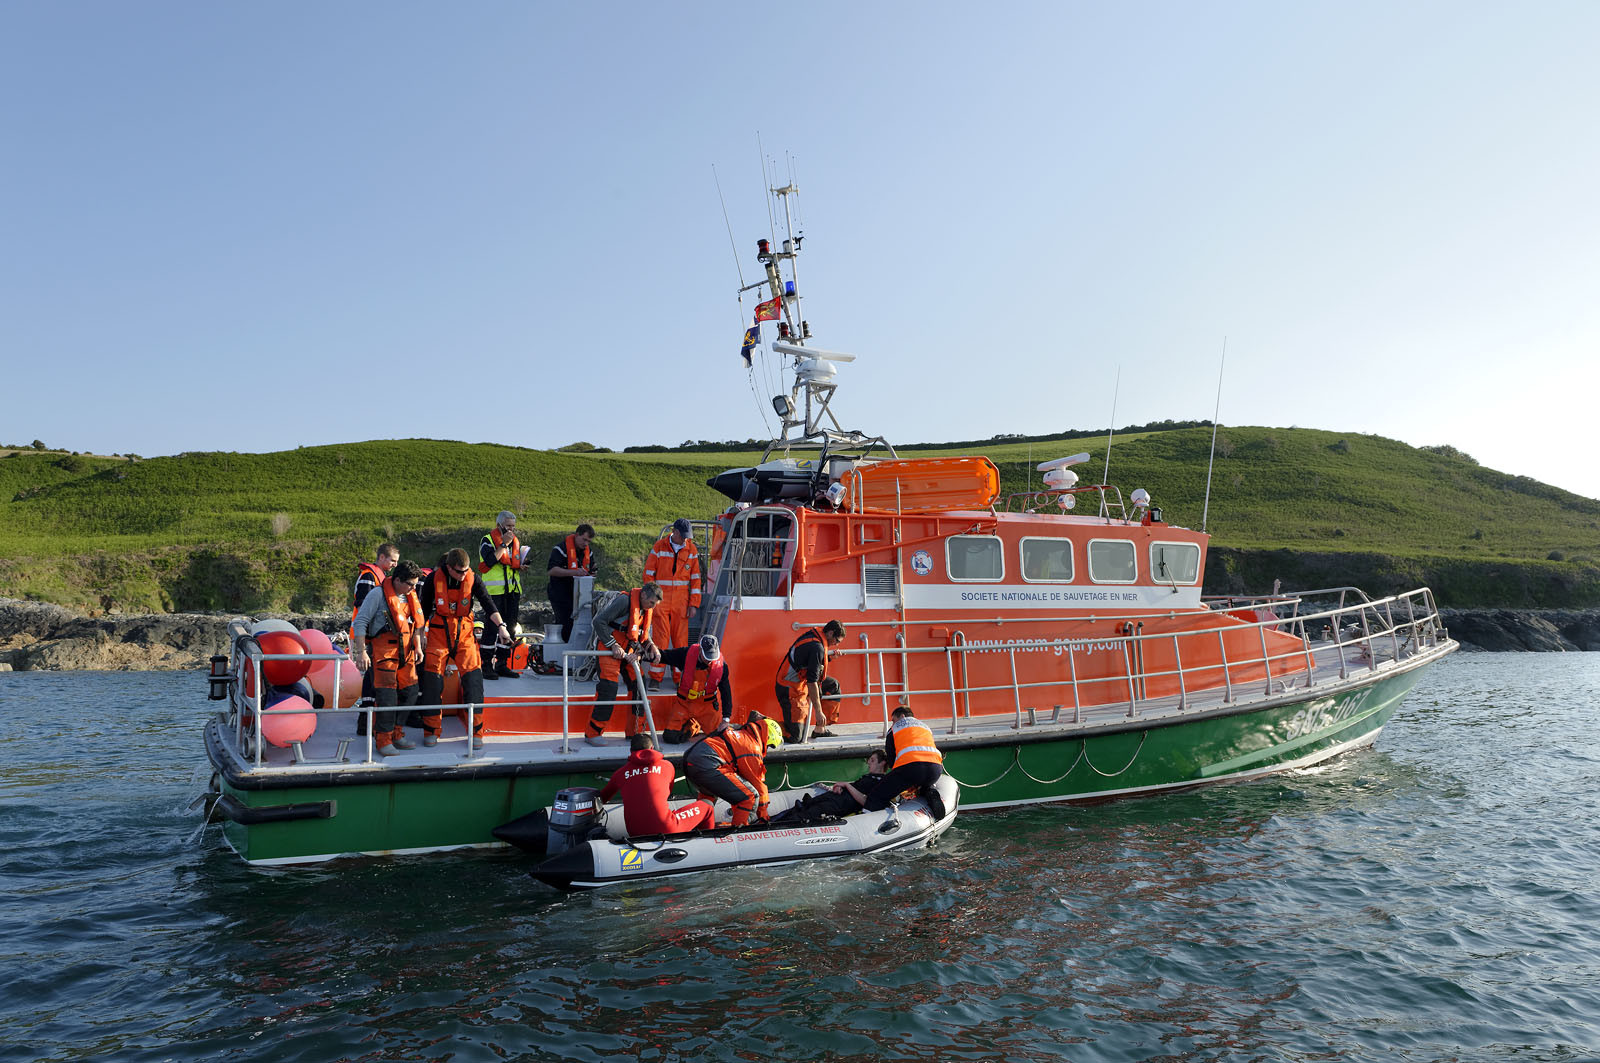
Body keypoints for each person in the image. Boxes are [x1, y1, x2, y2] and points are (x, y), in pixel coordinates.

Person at [415, 547, 511, 749]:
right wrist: (419, 635)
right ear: (448, 568)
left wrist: (502, 627)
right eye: (459, 571)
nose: (463, 575)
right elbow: (422, 609)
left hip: (465, 634)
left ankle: (476, 732)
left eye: (466, 570)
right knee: (432, 683)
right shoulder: (433, 579)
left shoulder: (473, 579)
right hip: (439, 634)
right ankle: (431, 730)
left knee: (474, 681)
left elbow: (488, 604)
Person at [350, 559, 426, 756]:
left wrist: (418, 648)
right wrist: (361, 652)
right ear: (398, 580)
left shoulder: (410, 596)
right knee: (387, 697)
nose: (413, 588)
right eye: (410, 584)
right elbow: (360, 623)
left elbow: (415, 626)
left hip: (406, 654)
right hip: (384, 653)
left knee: (411, 692)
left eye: (415, 584)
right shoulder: (377, 594)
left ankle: (397, 733)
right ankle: (383, 741)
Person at [582, 583, 661, 746]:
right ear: (644, 596)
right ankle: (593, 733)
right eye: (652, 603)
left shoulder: (646, 609)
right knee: (609, 689)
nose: (652, 607)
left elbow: (641, 635)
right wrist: (613, 645)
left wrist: (651, 646)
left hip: (629, 652)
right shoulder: (624, 601)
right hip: (609, 650)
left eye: (654, 605)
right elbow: (599, 622)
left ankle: (636, 733)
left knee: (639, 687)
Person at [597, 734, 715, 836]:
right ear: (652, 748)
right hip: (667, 828)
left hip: (634, 832)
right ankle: (706, 846)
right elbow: (667, 793)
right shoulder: (667, 766)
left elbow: (602, 798)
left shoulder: (620, 773)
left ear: (631, 751)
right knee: (707, 806)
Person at [682, 714, 782, 827]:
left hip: (692, 760)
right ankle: (740, 832)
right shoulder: (752, 747)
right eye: (769, 746)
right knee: (749, 797)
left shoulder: (740, 733)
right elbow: (757, 784)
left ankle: (700, 826)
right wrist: (763, 816)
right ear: (768, 738)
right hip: (708, 764)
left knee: (708, 795)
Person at [841, 706, 945, 812]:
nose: (893, 724)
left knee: (877, 796)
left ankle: (867, 818)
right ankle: (929, 792)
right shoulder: (925, 727)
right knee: (921, 786)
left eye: (894, 720)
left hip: (912, 767)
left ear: (903, 716)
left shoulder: (894, 729)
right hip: (935, 770)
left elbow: (891, 758)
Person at [642, 518, 701, 688]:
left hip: (681, 602)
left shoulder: (691, 549)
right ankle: (656, 678)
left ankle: (680, 678)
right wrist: (652, 598)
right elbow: (648, 574)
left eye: (687, 537)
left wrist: (693, 604)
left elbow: (696, 579)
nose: (685, 539)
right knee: (660, 639)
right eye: (683, 536)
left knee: (681, 642)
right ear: (674, 532)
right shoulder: (659, 547)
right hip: (660, 601)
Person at [773, 619, 846, 743]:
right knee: (796, 736)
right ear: (830, 633)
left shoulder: (815, 640)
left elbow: (811, 665)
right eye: (837, 641)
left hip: (801, 683)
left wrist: (829, 658)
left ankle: (820, 729)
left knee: (833, 686)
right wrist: (818, 712)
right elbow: (812, 682)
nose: (836, 644)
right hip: (789, 688)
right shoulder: (817, 647)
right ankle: (761, 724)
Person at [769, 750, 888, 825]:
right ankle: (766, 822)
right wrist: (840, 787)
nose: (868, 763)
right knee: (802, 806)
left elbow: (865, 801)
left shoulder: (881, 783)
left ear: (882, 763)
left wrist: (846, 785)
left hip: (838, 806)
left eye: (872, 760)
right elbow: (856, 788)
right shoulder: (869, 777)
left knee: (804, 815)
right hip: (834, 798)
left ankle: (770, 829)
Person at [478, 511, 528, 680]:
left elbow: (510, 562)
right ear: (499, 525)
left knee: (511, 628)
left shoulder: (514, 541)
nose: (511, 529)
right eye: (508, 526)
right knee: (492, 628)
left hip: (512, 591)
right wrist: (504, 545)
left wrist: (520, 565)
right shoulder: (487, 540)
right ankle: (486, 665)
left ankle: (502, 664)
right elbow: (490, 562)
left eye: (513, 526)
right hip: (494, 593)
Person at [655, 633, 732, 744]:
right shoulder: (685, 654)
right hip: (684, 704)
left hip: (707, 707)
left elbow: (726, 693)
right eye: (707, 657)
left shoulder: (722, 667)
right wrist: (644, 654)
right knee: (670, 737)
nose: (709, 661)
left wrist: (726, 719)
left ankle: (698, 723)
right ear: (700, 650)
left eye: (712, 657)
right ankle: (693, 726)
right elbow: (665, 656)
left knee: (719, 738)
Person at [350, 543, 400, 711]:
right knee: (369, 674)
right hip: (364, 634)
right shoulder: (368, 576)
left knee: (371, 674)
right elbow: (364, 607)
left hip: (371, 634)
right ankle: (367, 710)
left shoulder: (378, 577)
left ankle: (370, 709)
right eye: (392, 560)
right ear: (381, 558)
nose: (395, 565)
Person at [546, 523, 595, 643]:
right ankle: (562, 651)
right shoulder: (560, 549)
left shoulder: (588, 552)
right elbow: (551, 570)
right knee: (565, 623)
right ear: (577, 535)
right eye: (584, 539)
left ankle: (577, 648)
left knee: (581, 624)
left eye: (588, 541)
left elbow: (593, 571)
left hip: (580, 596)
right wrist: (573, 572)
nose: (586, 544)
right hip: (560, 594)